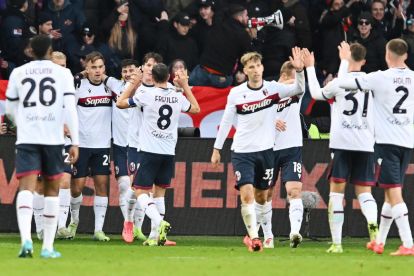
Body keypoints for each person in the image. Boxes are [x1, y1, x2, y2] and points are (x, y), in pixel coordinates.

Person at [211, 50, 305, 252]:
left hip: (266, 152)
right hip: (242, 151)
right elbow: (227, 121)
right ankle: (255, 238)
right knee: (247, 195)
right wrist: (217, 148)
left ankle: (265, 234)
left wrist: (299, 70)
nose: (255, 70)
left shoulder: (272, 89)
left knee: (262, 197)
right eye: (251, 67)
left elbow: (299, 88)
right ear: (245, 71)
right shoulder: (236, 93)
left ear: (263, 68)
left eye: (258, 66)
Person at [338, 38, 414, 256]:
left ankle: (408, 244)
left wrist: (345, 60)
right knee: (391, 195)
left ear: (387, 55)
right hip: (407, 142)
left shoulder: (380, 78)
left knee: (394, 193)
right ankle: (379, 241)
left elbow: (343, 83)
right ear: (406, 56)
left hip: (386, 143)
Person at [5, 34, 79, 258]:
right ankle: (47, 246)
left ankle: (26, 240)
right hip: (53, 139)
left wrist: (23, 124)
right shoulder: (63, 73)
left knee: (26, 189)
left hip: (27, 138)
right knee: (52, 191)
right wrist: (75, 140)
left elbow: (9, 111)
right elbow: (70, 108)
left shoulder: (18, 72)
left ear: (30, 50)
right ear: (49, 50)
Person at [304, 42, 379, 253]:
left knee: (336, 195)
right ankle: (374, 233)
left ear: (343, 56)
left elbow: (316, 94)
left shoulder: (339, 83)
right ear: (364, 61)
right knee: (365, 194)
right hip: (365, 143)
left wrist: (310, 66)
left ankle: (337, 244)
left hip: (342, 143)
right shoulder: (372, 82)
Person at [116, 63, 200, 245]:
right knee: (160, 193)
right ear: (168, 78)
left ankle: (160, 223)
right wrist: (185, 86)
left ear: (152, 78)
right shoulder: (177, 97)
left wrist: (133, 83)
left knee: (140, 191)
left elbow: (120, 103)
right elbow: (195, 109)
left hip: (149, 151)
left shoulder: (146, 94)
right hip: (168, 152)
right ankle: (156, 237)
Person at [260, 60, 305, 249]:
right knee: (265, 194)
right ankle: (268, 236)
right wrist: (271, 120)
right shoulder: (266, 92)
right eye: (293, 78)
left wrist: (301, 70)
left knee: (294, 191)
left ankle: (295, 232)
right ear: (286, 75)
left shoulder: (296, 91)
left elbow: (301, 86)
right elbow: (253, 119)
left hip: (292, 147)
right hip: (269, 148)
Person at [68, 51, 112, 242]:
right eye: (93, 67)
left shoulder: (111, 86)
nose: (97, 71)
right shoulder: (78, 85)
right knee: (76, 187)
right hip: (82, 144)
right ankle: (74, 221)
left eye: (100, 67)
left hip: (102, 144)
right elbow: (67, 109)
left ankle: (98, 230)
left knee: (101, 185)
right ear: (86, 68)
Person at [103, 58, 139, 234]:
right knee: (125, 186)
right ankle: (128, 224)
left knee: (139, 188)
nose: (127, 74)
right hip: (119, 144)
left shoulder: (144, 88)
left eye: (131, 70)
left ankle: (138, 227)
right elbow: (96, 73)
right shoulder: (114, 84)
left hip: (138, 145)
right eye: (124, 71)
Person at [189, 4, 252, 88]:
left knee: (190, 96)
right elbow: (245, 57)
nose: (248, 18)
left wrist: (232, 11)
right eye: (246, 15)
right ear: (239, 17)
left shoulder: (219, 22)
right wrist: (240, 70)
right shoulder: (243, 35)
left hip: (203, 70)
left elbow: (221, 10)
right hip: (221, 77)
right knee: (218, 101)